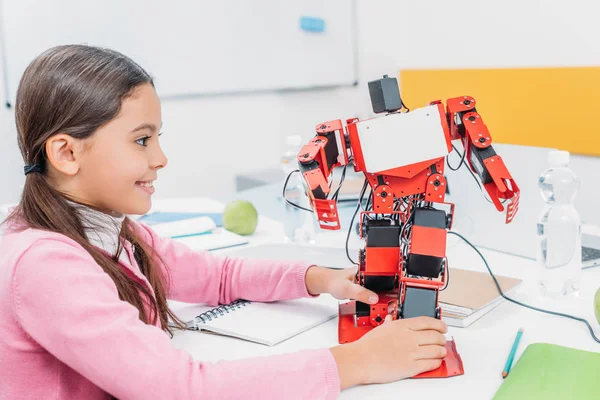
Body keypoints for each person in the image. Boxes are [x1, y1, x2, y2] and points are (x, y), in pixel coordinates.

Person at [0, 45, 448, 399]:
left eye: (158, 138)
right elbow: (178, 388)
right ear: (66, 153)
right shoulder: (46, 265)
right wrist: (357, 363)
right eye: (141, 140)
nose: (160, 158)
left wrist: (318, 278)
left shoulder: (110, 231)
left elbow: (217, 276)